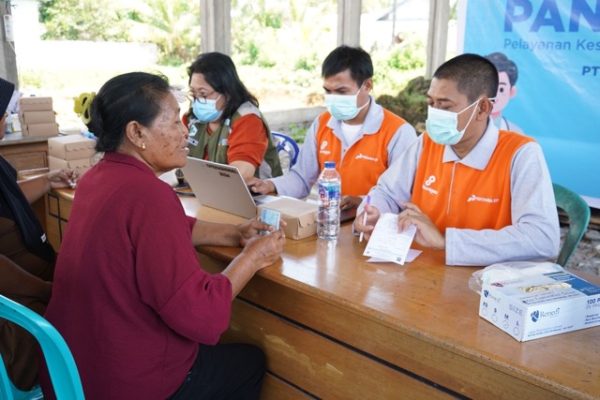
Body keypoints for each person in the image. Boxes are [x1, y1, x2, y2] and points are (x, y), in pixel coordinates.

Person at [41, 72, 285, 400]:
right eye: (173, 122)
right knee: (249, 363)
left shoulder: (96, 178)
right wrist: (252, 258)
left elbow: (163, 231)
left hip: (70, 369)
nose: (185, 131)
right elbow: (202, 314)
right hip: (125, 382)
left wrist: (234, 233)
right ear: (136, 132)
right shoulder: (149, 195)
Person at [354, 54, 559, 266]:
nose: (434, 114)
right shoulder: (427, 143)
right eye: (431, 103)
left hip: (486, 278)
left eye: (445, 106)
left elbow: (542, 239)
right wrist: (373, 213)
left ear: (482, 108)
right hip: (421, 271)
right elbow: (386, 192)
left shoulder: (520, 153)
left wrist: (447, 242)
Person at [248, 45, 417, 210]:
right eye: (328, 91)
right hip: (329, 218)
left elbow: (400, 195)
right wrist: (270, 185)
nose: (333, 98)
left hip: (373, 222)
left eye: (342, 91)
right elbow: (301, 178)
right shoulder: (322, 124)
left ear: (367, 86)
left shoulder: (398, 132)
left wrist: (363, 202)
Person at [0, 77, 77, 390]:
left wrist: (47, 180)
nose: (6, 121)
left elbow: (9, 200)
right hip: (21, 315)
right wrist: (46, 290)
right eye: (4, 115)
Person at [185, 52, 282, 181]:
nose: (198, 100)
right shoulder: (192, 118)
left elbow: (240, 174)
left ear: (227, 91)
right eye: (193, 93)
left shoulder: (247, 120)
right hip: (204, 189)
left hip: (252, 191)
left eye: (203, 94)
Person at [485, 52, 523, 133]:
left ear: (512, 92)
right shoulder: (463, 128)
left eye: (501, 89)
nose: (494, 94)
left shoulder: (515, 132)